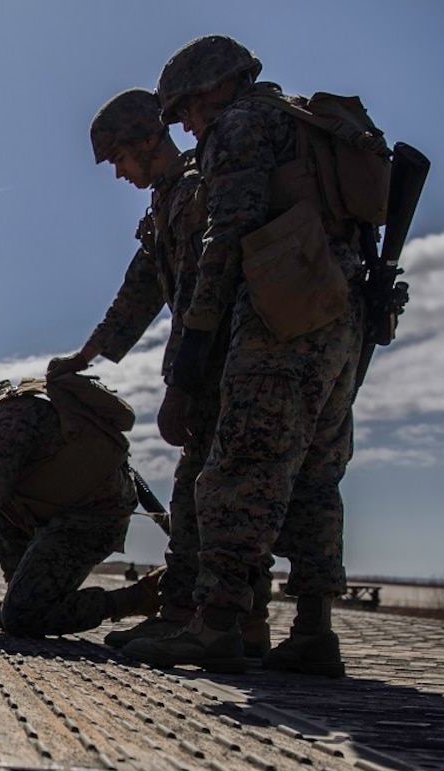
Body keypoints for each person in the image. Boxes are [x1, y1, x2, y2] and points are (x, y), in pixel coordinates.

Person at [124, 36, 371, 678]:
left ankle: (219, 625)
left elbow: (226, 237)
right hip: (343, 308)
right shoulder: (302, 123)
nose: (185, 127)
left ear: (211, 90)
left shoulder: (240, 125)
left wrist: (192, 355)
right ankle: (314, 627)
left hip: (281, 309)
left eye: (184, 112)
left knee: (240, 468)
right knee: (316, 474)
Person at [49, 86, 272, 658]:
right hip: (212, 365)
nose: (120, 173)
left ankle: (209, 618)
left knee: (221, 489)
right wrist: (86, 356)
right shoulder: (167, 203)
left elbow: (209, 287)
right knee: (209, 488)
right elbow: (137, 294)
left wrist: (186, 377)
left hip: (225, 363)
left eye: (122, 158)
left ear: (150, 139)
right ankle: (190, 613)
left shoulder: (197, 190)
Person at [0, 349, 159, 635]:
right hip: (74, 512)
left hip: (92, 520)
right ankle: (16, 594)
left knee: (22, 617)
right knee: (3, 502)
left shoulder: (6, 421)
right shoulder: (8, 411)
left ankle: (136, 598)